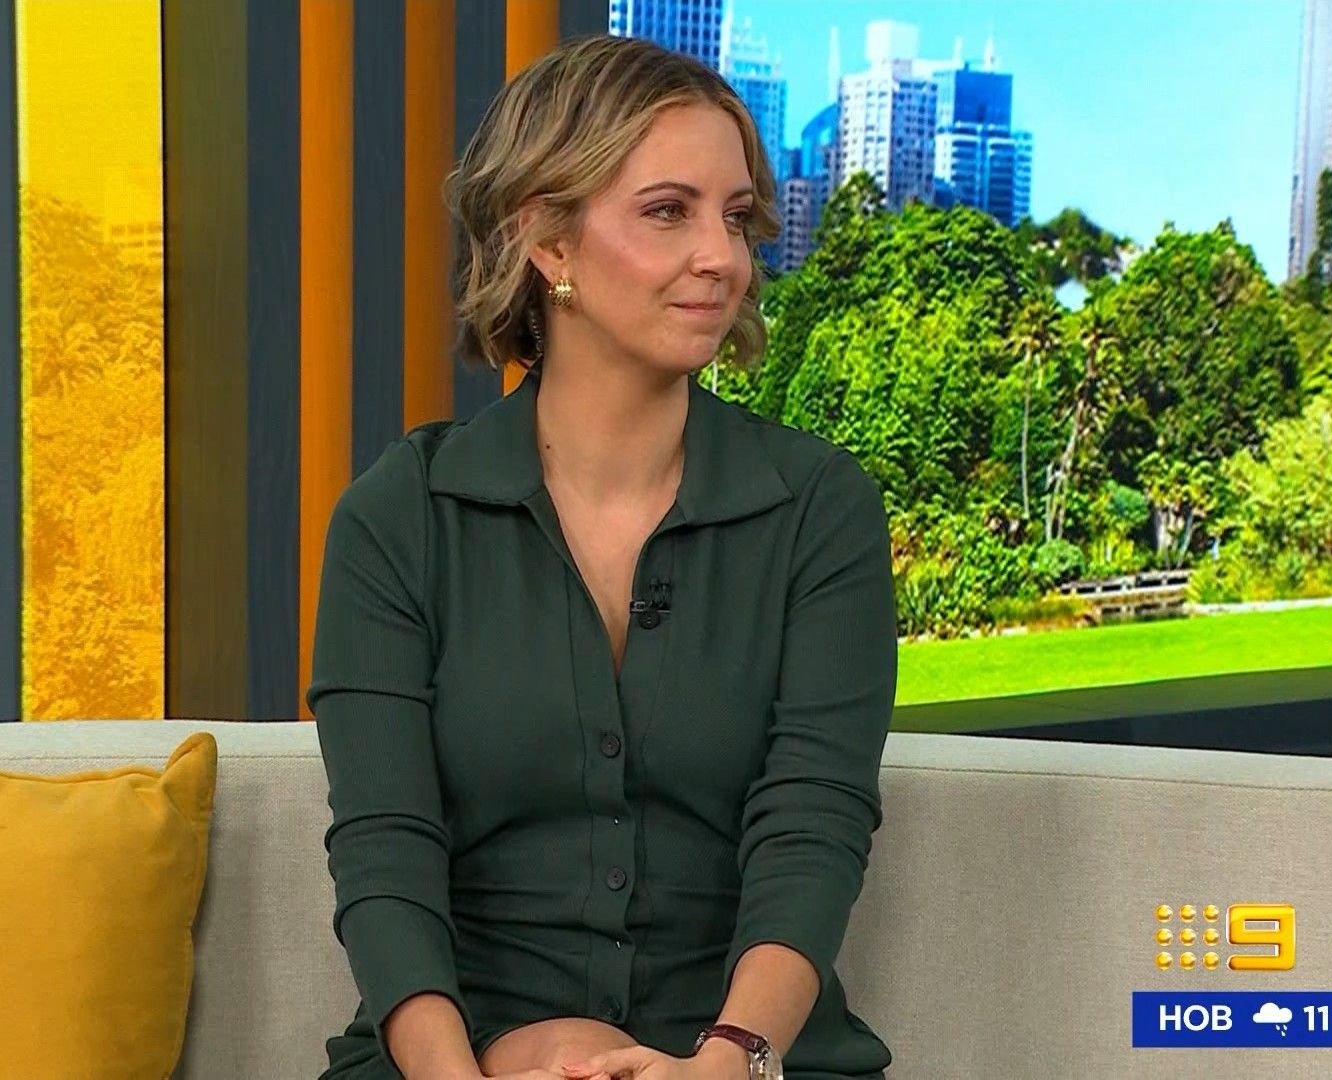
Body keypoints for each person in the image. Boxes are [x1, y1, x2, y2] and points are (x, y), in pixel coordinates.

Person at [312, 33, 896, 1080]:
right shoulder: (399, 519)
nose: (721, 257)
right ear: (547, 240)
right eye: (669, 211)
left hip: (744, 1061)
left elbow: (813, 827)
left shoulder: (820, 510)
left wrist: (725, 1062)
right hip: (454, 1059)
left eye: (736, 218)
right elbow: (385, 854)